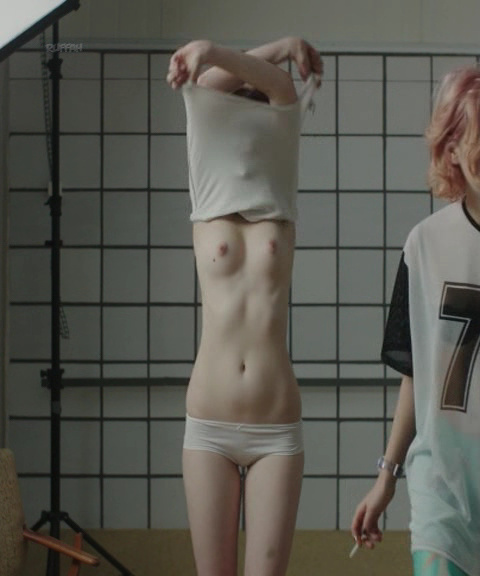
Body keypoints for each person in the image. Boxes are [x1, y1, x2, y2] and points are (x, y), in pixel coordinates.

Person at [167, 37, 322, 576]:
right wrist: (213, 54)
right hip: (209, 422)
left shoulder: (280, 190)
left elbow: (281, 90)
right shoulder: (206, 187)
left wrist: (270, 51)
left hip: (275, 427)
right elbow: (203, 85)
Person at [351, 66, 480, 576]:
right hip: (441, 484)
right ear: (452, 151)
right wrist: (387, 476)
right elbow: (418, 371)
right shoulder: (424, 245)